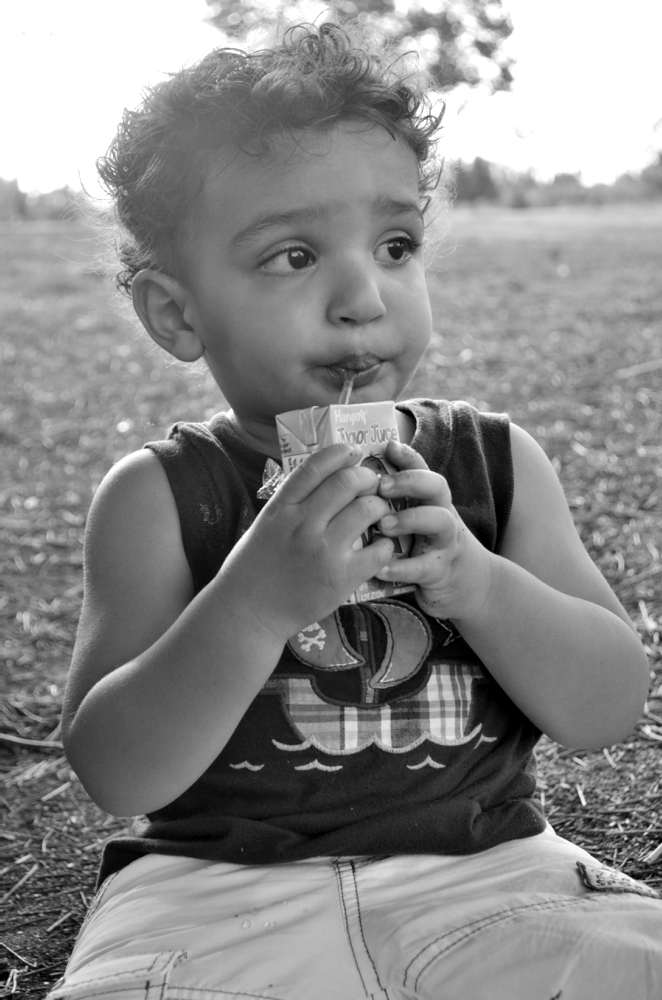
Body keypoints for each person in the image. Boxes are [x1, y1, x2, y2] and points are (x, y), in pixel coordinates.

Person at [49, 22, 661, 1000]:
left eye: (394, 245)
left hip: (492, 873)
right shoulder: (157, 496)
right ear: (177, 313)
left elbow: (608, 706)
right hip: (209, 896)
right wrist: (255, 600)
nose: (361, 296)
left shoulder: (495, 465)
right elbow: (117, 770)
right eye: (292, 255)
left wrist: (474, 581)